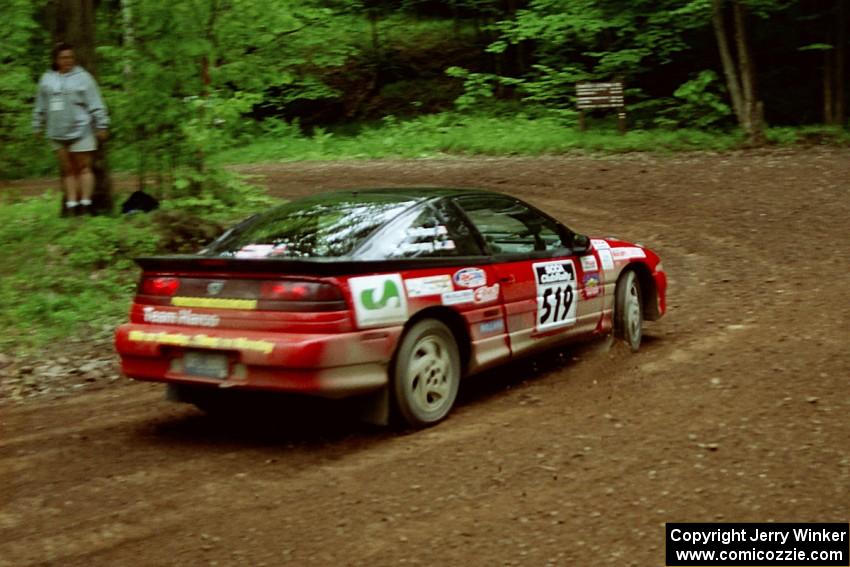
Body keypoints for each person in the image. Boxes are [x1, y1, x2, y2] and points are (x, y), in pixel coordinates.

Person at [32, 43, 110, 216]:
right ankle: (72, 204)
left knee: (84, 168)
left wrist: (101, 124)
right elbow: (40, 104)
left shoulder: (84, 77)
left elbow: (95, 102)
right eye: (63, 57)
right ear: (56, 59)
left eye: (70, 57)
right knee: (68, 170)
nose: (68, 61)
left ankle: (86, 204)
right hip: (57, 131)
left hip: (81, 129)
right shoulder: (47, 79)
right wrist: (37, 124)